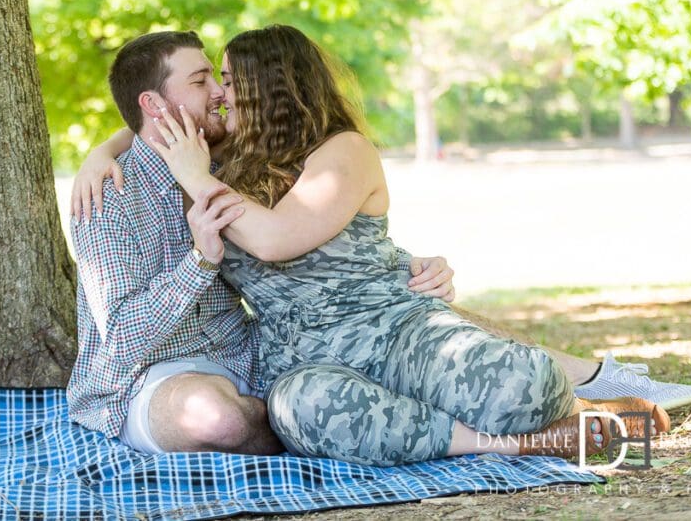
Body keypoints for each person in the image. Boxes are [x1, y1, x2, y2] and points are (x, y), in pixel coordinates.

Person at [81, 25, 684, 465]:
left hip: (382, 335)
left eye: (228, 81)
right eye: (209, 79)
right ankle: (529, 441)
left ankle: (591, 399)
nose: (218, 92)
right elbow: (147, 126)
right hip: (290, 364)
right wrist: (103, 153)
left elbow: (285, 241)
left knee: (517, 383)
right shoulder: (196, 168)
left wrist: (415, 266)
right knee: (304, 412)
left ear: (271, 91)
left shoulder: (242, 162)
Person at [66, 30, 449, 457]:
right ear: (153, 104)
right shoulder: (107, 196)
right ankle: (305, 428)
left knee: (360, 368)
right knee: (216, 417)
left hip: (250, 355)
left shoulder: (227, 164)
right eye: (200, 82)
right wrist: (198, 263)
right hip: (151, 375)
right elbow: (120, 338)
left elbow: (310, 234)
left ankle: (337, 422)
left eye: (217, 78)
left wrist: (407, 265)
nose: (220, 93)